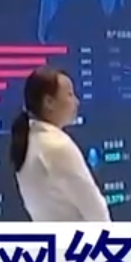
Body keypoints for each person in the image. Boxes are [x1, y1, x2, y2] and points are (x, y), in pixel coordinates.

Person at [9, 67, 110, 222]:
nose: (76, 101)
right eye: (69, 94)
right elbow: (96, 210)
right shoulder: (57, 146)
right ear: (49, 102)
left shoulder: (29, 141)